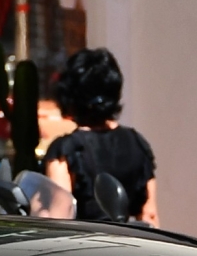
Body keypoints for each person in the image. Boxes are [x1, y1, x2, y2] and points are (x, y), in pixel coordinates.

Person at [43, 47, 158, 224]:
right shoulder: (138, 144)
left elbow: (60, 218)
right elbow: (150, 216)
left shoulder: (66, 150)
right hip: (131, 248)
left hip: (85, 249)